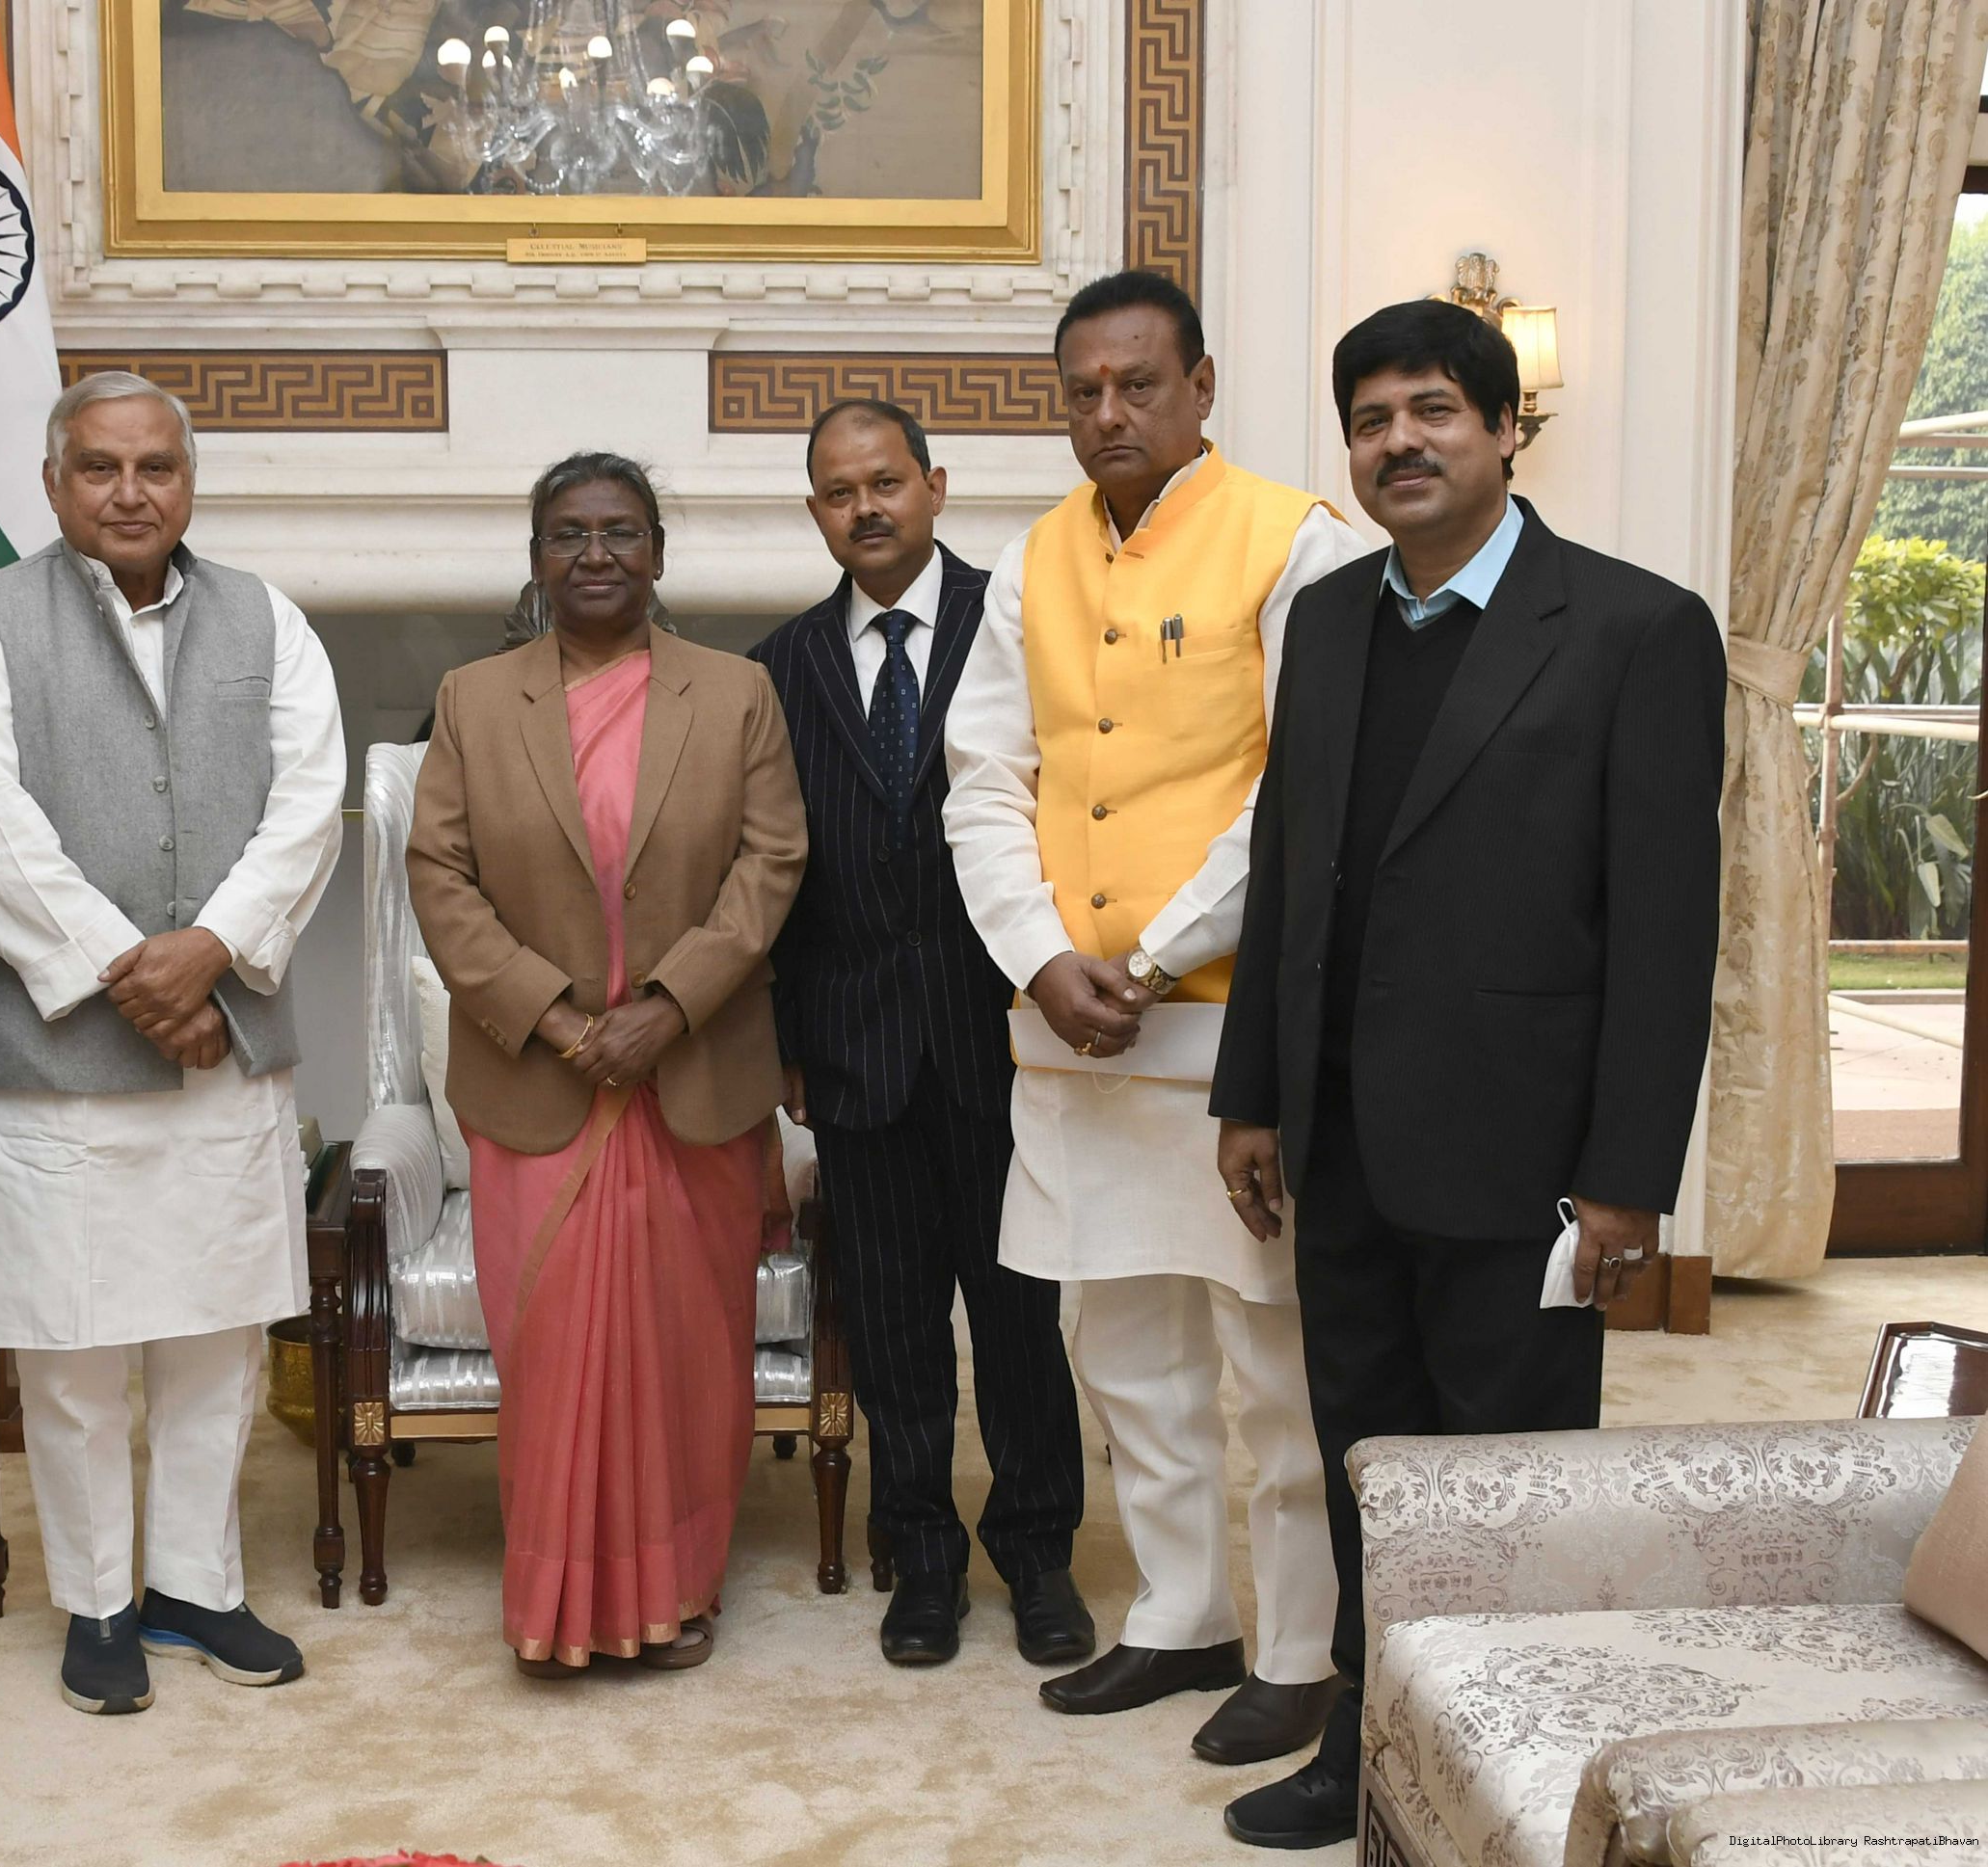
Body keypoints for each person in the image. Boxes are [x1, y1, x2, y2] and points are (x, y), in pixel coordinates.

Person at [1210, 299, 1724, 1850]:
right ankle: (1366, 1745)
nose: (1399, 443)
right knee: (1367, 1465)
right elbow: (1286, 870)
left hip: (1524, 1156)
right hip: (1340, 1137)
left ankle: (1511, 1770)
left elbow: (1664, 931)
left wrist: (1627, 1179)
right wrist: (1250, 1092)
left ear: (1506, 429)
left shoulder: (1635, 630)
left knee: (1511, 1486)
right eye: (1369, 420)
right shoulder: (1324, 621)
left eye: (1432, 409)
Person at [943, 270, 1367, 1763]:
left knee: (1272, 1357)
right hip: (1067, 1029)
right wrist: (1039, 953)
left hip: (1232, 1030)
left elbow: (1300, 788)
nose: (1108, 413)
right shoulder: (1028, 559)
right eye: (1082, 392)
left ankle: (1301, 1649)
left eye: (1137, 384)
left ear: (1200, 387)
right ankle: (1181, 1615)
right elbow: (983, 779)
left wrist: (1157, 947)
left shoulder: (1297, 542)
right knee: (1121, 1344)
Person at [0, 370, 344, 1717]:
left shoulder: (267, 620)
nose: (128, 490)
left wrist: (208, 950)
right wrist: (137, 977)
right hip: (56, 1067)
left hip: (223, 1046)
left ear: (188, 482)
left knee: (216, 1335)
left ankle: (194, 1586)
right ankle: (97, 1600)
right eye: (99, 466)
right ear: (53, 482)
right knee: (72, 1348)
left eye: (155, 466)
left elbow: (309, 807)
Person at [408, 452, 808, 1674]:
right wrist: (555, 1018)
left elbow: (770, 864)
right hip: (539, 1083)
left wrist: (668, 1008)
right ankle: (558, 1603)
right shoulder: (473, 699)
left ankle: (673, 1593)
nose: (595, 553)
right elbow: (438, 874)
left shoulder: (735, 693)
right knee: (550, 1353)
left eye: (621, 531)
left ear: (657, 553)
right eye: (569, 533)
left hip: (691, 1080)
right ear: (534, 557)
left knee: (688, 1354)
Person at [749, 400, 1092, 1670]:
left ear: (934, 486)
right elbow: (769, 869)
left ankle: (1037, 1552)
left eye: (885, 482)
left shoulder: (1021, 622)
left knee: (1017, 1319)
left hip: (999, 1034)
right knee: (891, 1326)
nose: (866, 508)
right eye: (839, 492)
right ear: (815, 512)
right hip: (853, 1051)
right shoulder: (778, 665)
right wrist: (785, 1036)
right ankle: (922, 1557)